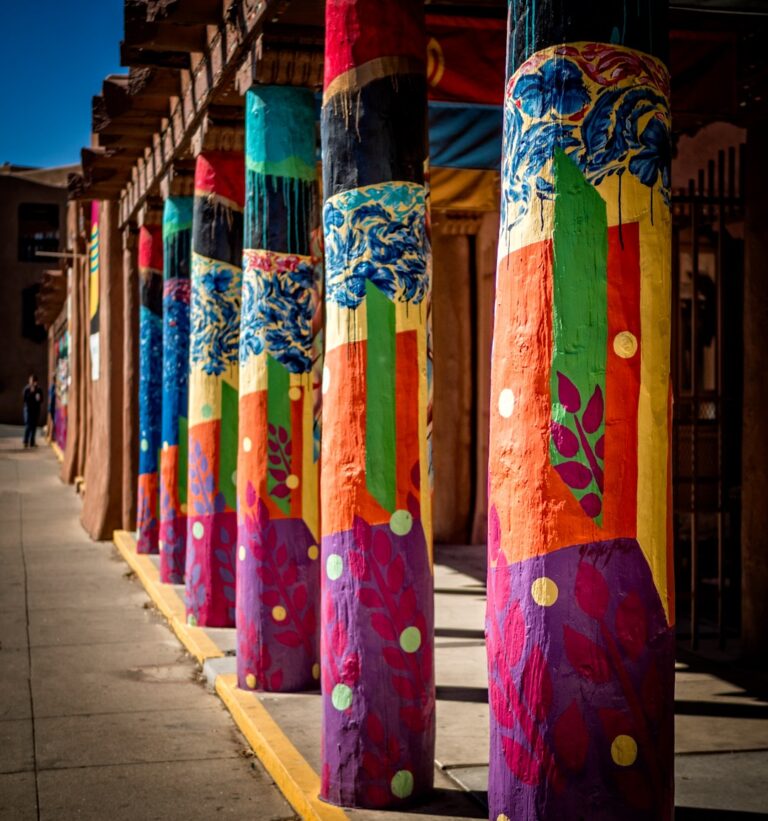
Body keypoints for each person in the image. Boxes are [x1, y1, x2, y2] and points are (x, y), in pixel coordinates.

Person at [22, 374, 43, 448]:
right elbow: (25, 400)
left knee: (34, 426)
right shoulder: (27, 389)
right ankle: (25, 441)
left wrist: (38, 398)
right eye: (31, 381)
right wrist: (31, 393)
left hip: (36, 410)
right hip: (28, 410)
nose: (33, 383)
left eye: (34, 381)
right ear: (29, 381)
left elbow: (41, 400)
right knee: (28, 425)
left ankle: (32, 442)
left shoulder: (39, 390)